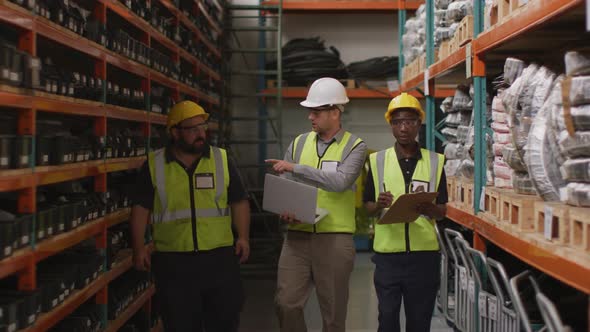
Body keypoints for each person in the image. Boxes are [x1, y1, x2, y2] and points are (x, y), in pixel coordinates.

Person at [129, 100, 251, 332]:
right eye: (192, 129)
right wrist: (138, 248)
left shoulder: (221, 159)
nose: (200, 134)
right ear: (175, 132)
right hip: (174, 262)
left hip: (219, 259)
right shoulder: (154, 165)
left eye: (203, 127)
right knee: (180, 324)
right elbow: (140, 208)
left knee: (224, 322)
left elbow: (239, 201)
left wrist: (243, 237)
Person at [266, 77, 367, 332]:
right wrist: (285, 210)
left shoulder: (355, 147)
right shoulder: (299, 143)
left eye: (316, 111)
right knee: (286, 304)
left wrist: (297, 168)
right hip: (297, 238)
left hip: (334, 240)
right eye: (309, 111)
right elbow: (285, 184)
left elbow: (340, 182)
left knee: (333, 316)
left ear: (335, 112)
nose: (310, 117)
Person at [363, 92, 448, 332]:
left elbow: (442, 211)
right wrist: (379, 204)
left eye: (410, 121)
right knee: (387, 319)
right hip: (388, 256)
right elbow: (367, 207)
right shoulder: (377, 161)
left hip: (424, 256)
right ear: (391, 125)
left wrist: (430, 208)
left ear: (419, 124)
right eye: (398, 121)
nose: (404, 127)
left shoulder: (436, 162)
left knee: (419, 322)